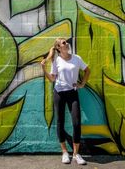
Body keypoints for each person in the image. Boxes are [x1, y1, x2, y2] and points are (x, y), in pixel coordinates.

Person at [41, 37, 90, 165]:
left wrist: (82, 84)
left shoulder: (76, 58)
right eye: (63, 43)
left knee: (76, 122)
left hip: (72, 93)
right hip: (59, 93)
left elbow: (87, 70)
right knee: (60, 122)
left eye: (66, 42)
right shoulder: (56, 60)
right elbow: (52, 79)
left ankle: (76, 154)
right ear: (58, 48)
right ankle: (64, 152)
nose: (66, 44)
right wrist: (43, 69)